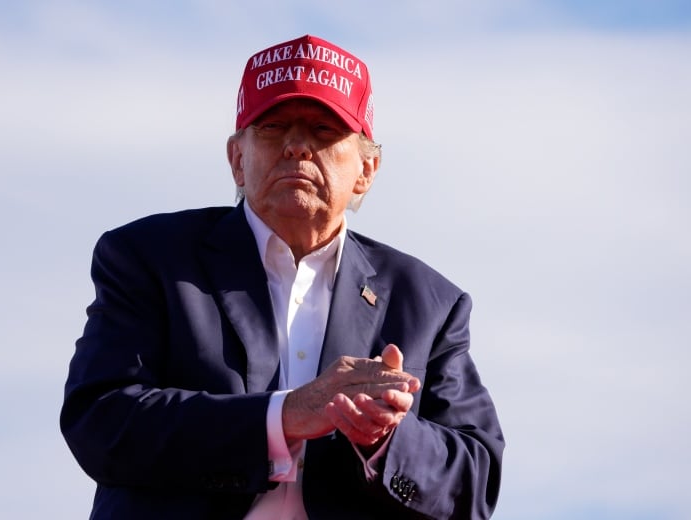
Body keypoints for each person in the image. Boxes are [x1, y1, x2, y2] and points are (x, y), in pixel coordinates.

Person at [61, 34, 504, 519]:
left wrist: (386, 438)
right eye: (273, 127)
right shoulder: (150, 258)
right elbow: (100, 420)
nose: (297, 146)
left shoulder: (430, 304)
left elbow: (475, 483)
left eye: (323, 130)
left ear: (367, 169)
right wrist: (284, 415)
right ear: (237, 160)